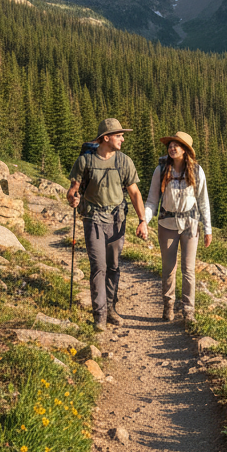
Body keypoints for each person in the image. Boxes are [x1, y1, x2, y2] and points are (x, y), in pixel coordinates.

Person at [67, 118, 145, 331]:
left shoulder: (124, 161)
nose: (122, 139)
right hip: (93, 219)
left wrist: (142, 220)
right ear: (105, 138)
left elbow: (135, 192)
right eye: (118, 135)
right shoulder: (85, 161)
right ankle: (99, 315)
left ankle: (111, 308)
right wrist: (73, 197)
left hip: (116, 219)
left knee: (113, 266)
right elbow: (73, 190)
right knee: (98, 267)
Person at [137, 131, 211, 323]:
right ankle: (168, 306)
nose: (172, 148)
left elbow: (203, 202)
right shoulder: (160, 170)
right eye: (170, 145)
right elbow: (152, 200)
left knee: (188, 269)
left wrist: (208, 229)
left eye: (176, 145)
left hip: (190, 224)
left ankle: (188, 311)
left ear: (185, 150)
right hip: (166, 224)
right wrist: (144, 220)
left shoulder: (196, 171)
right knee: (169, 268)